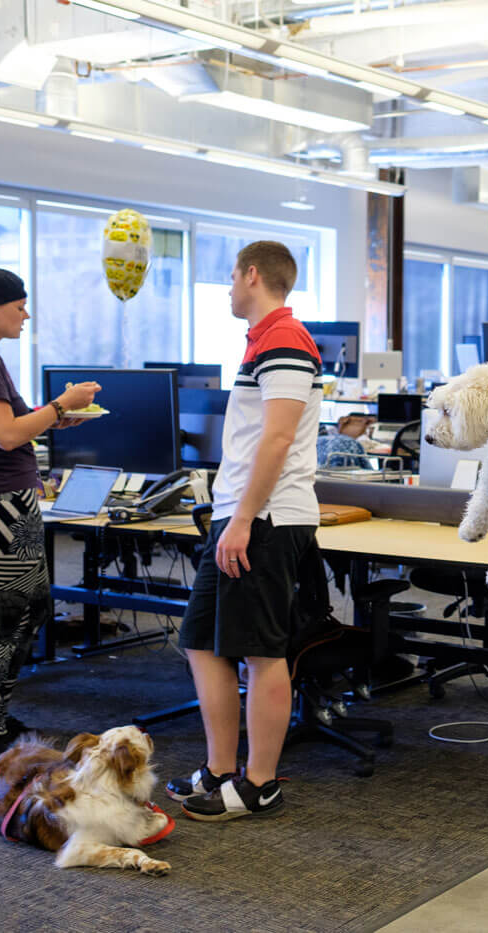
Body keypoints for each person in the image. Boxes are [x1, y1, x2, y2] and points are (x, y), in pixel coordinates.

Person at [165, 241, 323, 821]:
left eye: (232, 277)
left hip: (264, 518)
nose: (230, 288)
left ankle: (259, 782)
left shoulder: (284, 338)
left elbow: (277, 439)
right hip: (242, 513)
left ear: (252, 275)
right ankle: (219, 769)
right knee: (202, 643)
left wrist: (242, 520)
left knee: (260, 651)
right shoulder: (264, 341)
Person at [0, 267, 101, 762]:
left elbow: (11, 427)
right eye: (19, 304)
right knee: (4, 618)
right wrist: (60, 402)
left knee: (30, 608)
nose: (26, 314)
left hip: (0, 495)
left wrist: (62, 416)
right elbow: (5, 436)